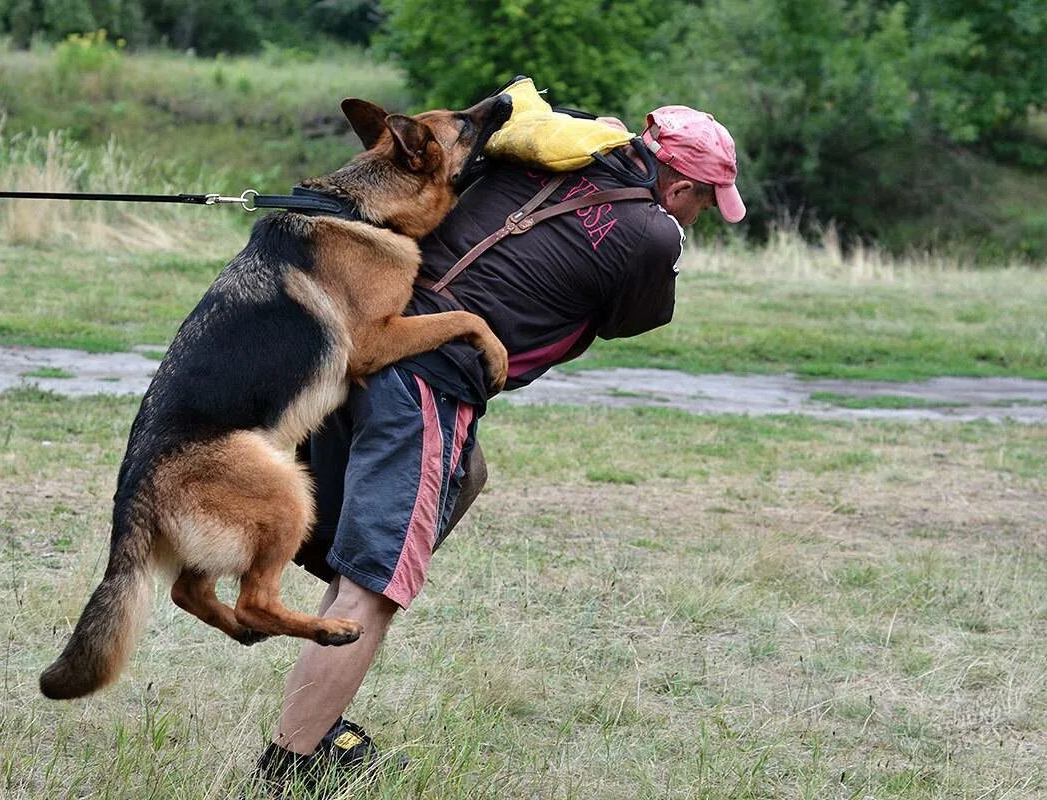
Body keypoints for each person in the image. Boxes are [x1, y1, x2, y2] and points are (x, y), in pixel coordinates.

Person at [254, 104, 746, 792]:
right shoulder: (653, 234)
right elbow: (632, 320)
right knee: (376, 584)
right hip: (428, 374)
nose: (697, 217)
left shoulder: (551, 148)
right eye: (703, 203)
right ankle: (289, 765)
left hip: (361, 343)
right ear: (680, 188)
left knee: (463, 477)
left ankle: (317, 708)